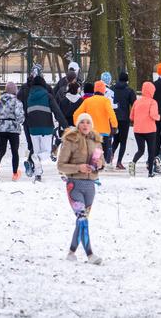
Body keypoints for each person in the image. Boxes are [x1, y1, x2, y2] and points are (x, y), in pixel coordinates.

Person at [57, 112, 104, 265]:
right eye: (82, 122)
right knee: (82, 218)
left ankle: (71, 253)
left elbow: (102, 164)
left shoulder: (96, 140)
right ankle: (90, 255)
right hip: (74, 186)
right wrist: (79, 167)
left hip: (90, 187)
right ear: (78, 124)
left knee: (81, 221)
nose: (85, 125)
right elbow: (61, 165)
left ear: (91, 125)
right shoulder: (70, 140)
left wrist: (99, 165)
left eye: (88, 122)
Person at [25, 75, 69, 182]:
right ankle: (37, 158)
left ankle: (38, 174)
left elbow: (27, 114)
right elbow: (57, 112)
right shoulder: (48, 96)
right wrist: (66, 127)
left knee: (37, 150)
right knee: (46, 152)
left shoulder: (29, 98)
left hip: (33, 129)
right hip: (46, 128)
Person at [73, 81, 118, 165]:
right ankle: (98, 168)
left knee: (91, 152)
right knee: (103, 154)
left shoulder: (88, 101)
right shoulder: (106, 101)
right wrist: (114, 126)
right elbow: (111, 113)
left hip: (91, 132)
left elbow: (76, 114)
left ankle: (92, 168)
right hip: (104, 132)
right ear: (103, 90)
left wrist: (78, 125)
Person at [0, 81, 24, 181]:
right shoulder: (17, 102)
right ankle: (15, 173)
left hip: (1, 128)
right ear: (15, 91)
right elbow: (19, 116)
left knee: (2, 150)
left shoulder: (0, 101)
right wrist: (20, 121)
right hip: (13, 129)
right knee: (15, 151)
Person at [129, 82, 160, 177]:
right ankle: (150, 172)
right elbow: (153, 115)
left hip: (138, 130)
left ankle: (133, 162)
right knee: (151, 151)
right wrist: (158, 117)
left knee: (141, 150)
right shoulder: (153, 102)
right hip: (150, 130)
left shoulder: (136, 102)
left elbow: (131, 116)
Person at [110, 72, 137, 170]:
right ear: (127, 80)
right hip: (124, 119)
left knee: (115, 139)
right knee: (123, 141)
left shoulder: (112, 89)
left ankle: (111, 154)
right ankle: (119, 162)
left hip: (114, 118)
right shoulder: (129, 91)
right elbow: (134, 104)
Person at [54, 80, 83, 161]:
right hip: (76, 127)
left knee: (65, 146)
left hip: (64, 127)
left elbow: (58, 114)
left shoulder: (63, 101)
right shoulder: (81, 101)